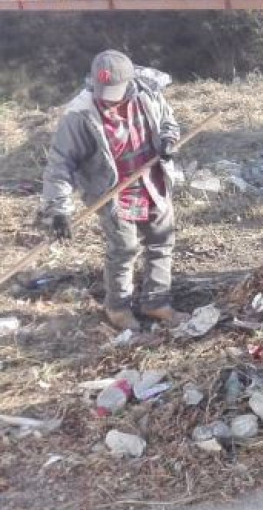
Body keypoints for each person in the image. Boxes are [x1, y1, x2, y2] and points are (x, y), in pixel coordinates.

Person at [40, 50, 184, 331]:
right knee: (124, 248)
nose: (108, 97)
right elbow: (60, 164)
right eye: (102, 90)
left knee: (161, 241)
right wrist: (57, 208)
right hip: (112, 190)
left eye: (115, 91)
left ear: (130, 81)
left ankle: (156, 302)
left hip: (151, 180)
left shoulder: (148, 94)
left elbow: (168, 120)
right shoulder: (79, 114)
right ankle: (117, 307)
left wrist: (168, 139)